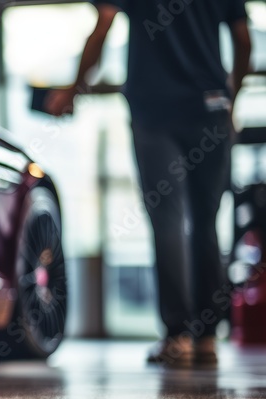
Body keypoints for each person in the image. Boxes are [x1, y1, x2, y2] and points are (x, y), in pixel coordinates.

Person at [47, 0, 253, 367]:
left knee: (167, 220)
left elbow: (103, 25)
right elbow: (243, 40)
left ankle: (178, 336)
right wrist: (230, 100)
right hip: (210, 109)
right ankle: (206, 338)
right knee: (206, 224)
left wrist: (74, 88)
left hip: (154, 113)